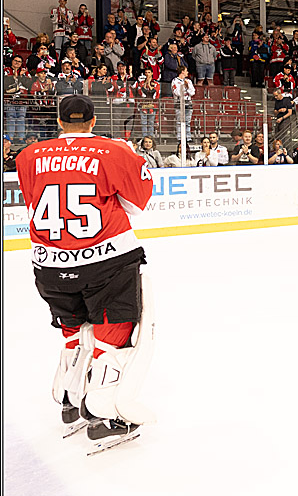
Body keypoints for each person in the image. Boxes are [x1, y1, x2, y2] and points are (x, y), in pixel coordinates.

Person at [15, 94, 155, 449]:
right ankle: (104, 412)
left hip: (49, 266)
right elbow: (138, 203)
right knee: (115, 337)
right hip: (106, 264)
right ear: (93, 122)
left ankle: (68, 399)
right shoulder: (114, 151)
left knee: (74, 331)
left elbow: (36, 202)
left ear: (59, 123)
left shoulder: (28, 156)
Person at [133, 70, 160, 139]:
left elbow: (154, 93)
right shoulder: (141, 83)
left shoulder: (156, 83)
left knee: (151, 123)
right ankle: (144, 138)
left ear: (152, 73)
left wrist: (149, 85)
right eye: (146, 73)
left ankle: (150, 138)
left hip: (152, 105)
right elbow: (142, 93)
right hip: (143, 105)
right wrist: (145, 84)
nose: (147, 74)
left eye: (149, 72)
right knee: (144, 122)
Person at [171, 66, 194, 143]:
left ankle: (188, 137)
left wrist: (187, 86)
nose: (187, 72)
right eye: (186, 71)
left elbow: (192, 92)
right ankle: (180, 138)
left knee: (187, 122)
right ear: (182, 72)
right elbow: (177, 93)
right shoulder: (174, 81)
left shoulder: (189, 81)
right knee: (179, 121)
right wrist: (184, 87)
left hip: (188, 103)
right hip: (179, 103)